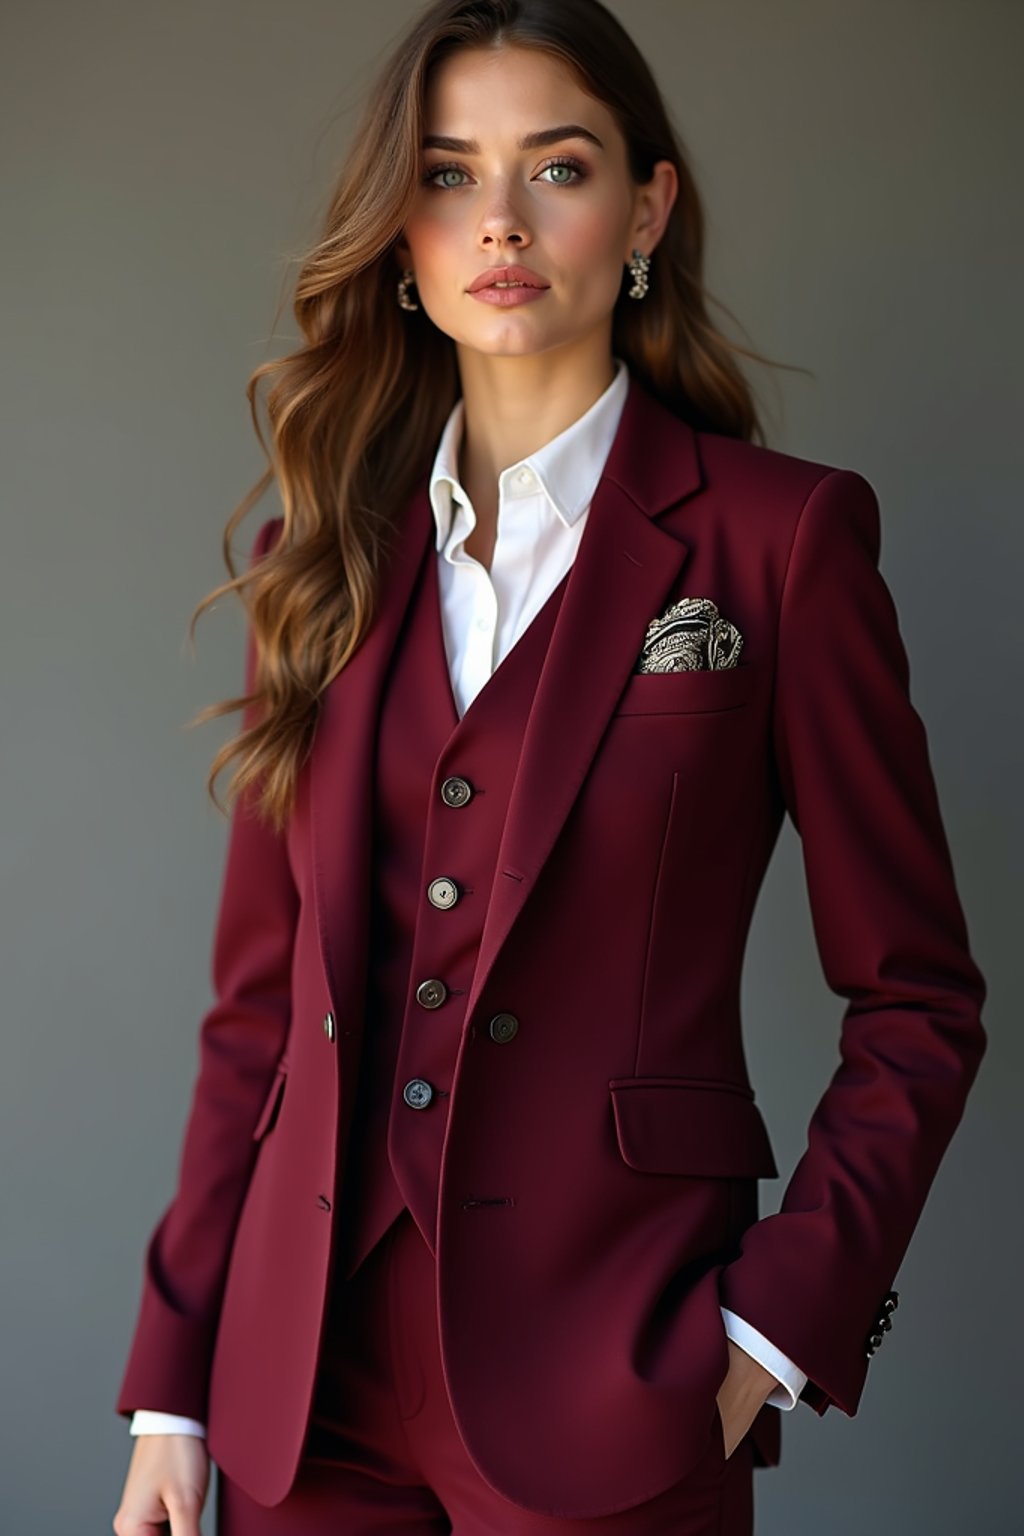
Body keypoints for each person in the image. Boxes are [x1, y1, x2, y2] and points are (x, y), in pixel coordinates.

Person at [111, 2, 988, 1533]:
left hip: (617, 1374)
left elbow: (918, 1000)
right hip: (300, 1384)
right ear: (400, 234)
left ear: (645, 206)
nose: (500, 221)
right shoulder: (312, 565)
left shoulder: (780, 546)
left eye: (558, 167)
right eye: (448, 176)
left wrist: (775, 1329)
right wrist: (175, 1386)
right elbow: (261, 1017)